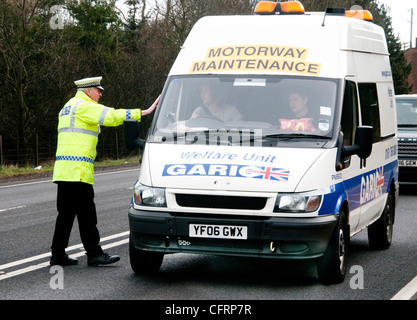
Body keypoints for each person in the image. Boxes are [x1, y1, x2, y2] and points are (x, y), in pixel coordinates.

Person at [50, 76, 160, 266]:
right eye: (98, 90)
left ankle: (58, 255)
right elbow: (112, 116)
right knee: (87, 215)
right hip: (78, 172)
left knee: (66, 216)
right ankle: (94, 254)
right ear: (88, 91)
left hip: (64, 171)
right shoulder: (84, 106)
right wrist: (145, 112)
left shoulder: (68, 106)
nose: (100, 94)